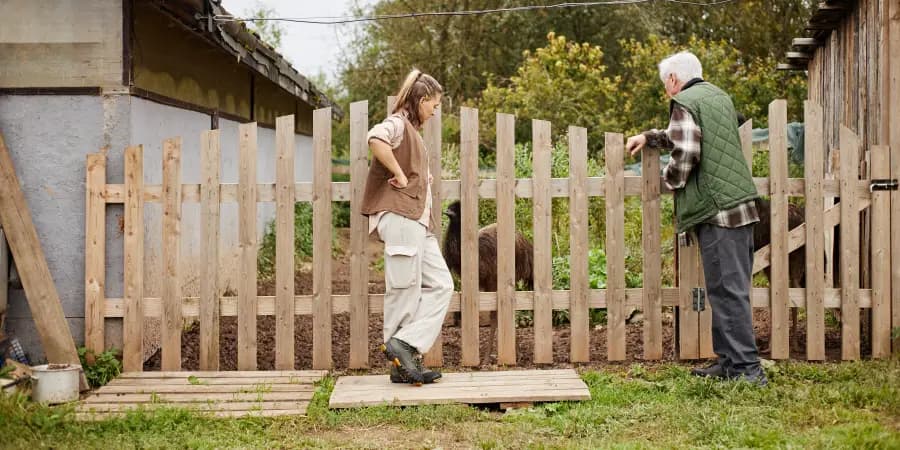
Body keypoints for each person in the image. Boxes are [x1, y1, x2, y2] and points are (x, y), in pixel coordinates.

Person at [625, 51, 767, 386]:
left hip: (719, 210)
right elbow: (688, 134)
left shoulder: (684, 102)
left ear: (674, 79)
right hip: (738, 205)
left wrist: (671, 179)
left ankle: (748, 370)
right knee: (725, 289)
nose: (667, 90)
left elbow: (687, 150)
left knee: (728, 291)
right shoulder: (718, 97)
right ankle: (730, 363)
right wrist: (650, 137)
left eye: (665, 84)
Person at [361, 69, 453, 386]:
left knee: (442, 285)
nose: (434, 111)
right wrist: (400, 174)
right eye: (434, 105)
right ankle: (402, 359)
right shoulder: (398, 123)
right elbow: (376, 138)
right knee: (404, 290)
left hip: (417, 222)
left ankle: (405, 346)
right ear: (422, 99)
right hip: (401, 218)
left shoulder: (411, 131)